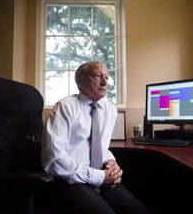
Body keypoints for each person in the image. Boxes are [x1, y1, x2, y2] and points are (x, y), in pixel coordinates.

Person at [41, 61, 153, 214]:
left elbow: (100, 147)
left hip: (101, 179)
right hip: (71, 181)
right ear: (80, 81)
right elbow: (53, 160)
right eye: (97, 76)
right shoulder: (65, 107)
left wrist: (111, 162)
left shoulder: (110, 110)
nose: (105, 81)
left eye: (107, 77)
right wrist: (98, 177)